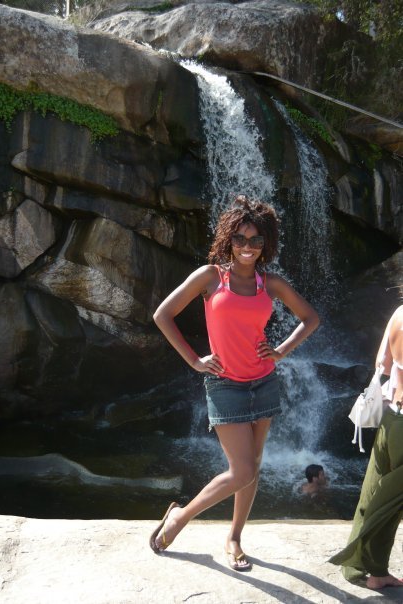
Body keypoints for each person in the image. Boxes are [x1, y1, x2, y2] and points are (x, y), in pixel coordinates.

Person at [148, 195, 320, 571]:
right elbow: (163, 314)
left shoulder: (270, 283)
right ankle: (179, 517)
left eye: (256, 240)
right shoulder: (211, 277)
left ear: (265, 244)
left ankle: (235, 537)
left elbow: (310, 318)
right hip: (225, 385)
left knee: (252, 466)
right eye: (240, 238)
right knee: (241, 470)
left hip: (264, 382)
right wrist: (195, 360)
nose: (247, 247)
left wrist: (281, 350)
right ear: (229, 239)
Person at [329, 304, 403, 590]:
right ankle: (368, 565)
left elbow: (382, 363)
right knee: (388, 502)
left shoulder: (398, 312)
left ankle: (368, 569)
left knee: (374, 494)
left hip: (390, 419)